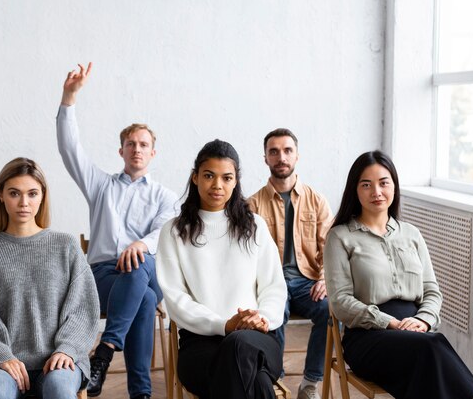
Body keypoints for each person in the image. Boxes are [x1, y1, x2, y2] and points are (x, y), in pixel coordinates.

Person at [56, 62, 178, 399]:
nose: (136, 149)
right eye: (130, 143)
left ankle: (105, 351)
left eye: (143, 144)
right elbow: (70, 150)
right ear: (121, 150)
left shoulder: (166, 197)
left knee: (141, 266)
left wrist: (140, 244)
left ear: (153, 153)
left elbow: (164, 235)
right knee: (145, 299)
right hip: (105, 277)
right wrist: (69, 98)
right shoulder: (100, 186)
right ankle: (140, 393)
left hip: (148, 269)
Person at [323, 150, 473, 399]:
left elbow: (432, 291)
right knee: (432, 348)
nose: (376, 192)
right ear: (354, 190)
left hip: (416, 332)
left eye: (384, 183)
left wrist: (424, 321)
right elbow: (341, 302)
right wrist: (391, 323)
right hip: (369, 337)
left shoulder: (411, 234)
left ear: (394, 187)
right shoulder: (340, 237)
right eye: (366, 185)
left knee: (429, 354)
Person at [0, 157, 100, 399]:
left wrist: (67, 349)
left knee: (59, 387)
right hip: (4, 363)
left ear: (42, 195)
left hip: (60, 358)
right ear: (0, 194)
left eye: (32, 193)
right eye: (15, 193)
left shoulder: (65, 246)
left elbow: (83, 308)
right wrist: (1, 355)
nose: (24, 202)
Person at [156, 139, 287, 399]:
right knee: (258, 383)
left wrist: (261, 318)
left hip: (256, 338)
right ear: (195, 178)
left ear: (236, 181)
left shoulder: (255, 226)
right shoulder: (174, 231)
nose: (217, 185)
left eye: (227, 178)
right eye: (209, 176)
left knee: (239, 345)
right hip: (200, 345)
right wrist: (224, 325)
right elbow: (176, 300)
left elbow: (273, 286)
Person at [248, 128, 332, 399]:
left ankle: (310, 382)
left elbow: (330, 247)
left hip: (308, 282)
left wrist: (326, 279)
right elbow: (248, 255)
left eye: (287, 151)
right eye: (274, 151)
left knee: (330, 310)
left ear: (297, 156)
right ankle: (274, 379)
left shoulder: (316, 201)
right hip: (272, 282)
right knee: (273, 313)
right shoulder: (252, 205)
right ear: (265, 158)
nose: (281, 157)